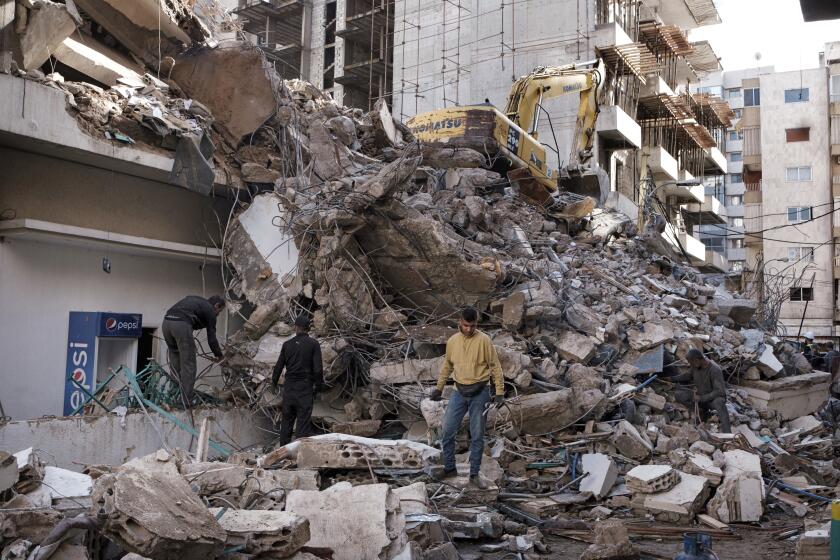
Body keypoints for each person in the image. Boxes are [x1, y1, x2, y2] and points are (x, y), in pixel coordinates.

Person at [430, 307, 504, 486]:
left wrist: (500, 392)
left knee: (477, 434)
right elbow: (447, 365)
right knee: (447, 430)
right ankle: (449, 468)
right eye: (465, 325)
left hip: (480, 391)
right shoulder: (453, 341)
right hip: (458, 391)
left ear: (476, 324)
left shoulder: (484, 340)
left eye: (472, 326)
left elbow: (495, 365)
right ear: (459, 323)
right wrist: (439, 388)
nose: (469, 329)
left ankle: (474, 474)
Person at [162, 295, 225, 406]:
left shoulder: (198, 302)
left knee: (175, 364)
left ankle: (174, 395)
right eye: (220, 311)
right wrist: (220, 356)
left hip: (166, 324)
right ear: (216, 306)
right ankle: (185, 402)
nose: (218, 314)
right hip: (181, 325)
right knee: (189, 365)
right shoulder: (210, 310)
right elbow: (212, 340)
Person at [272, 314, 323, 446]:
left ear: (296, 327)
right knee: (302, 423)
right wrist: (319, 387)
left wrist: (274, 383)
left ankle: (282, 453)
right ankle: (298, 455)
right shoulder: (314, 344)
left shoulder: (287, 345)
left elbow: (278, 367)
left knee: (286, 422)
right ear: (308, 328)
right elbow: (318, 369)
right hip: (305, 388)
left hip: (289, 389)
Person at [673, 348, 731, 433]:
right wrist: (672, 378)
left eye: (691, 363)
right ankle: (702, 412)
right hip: (700, 398)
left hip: (711, 400)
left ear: (696, 360)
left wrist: (701, 398)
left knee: (719, 402)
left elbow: (720, 391)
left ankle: (728, 433)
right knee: (679, 395)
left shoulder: (715, 369)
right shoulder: (696, 367)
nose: (690, 365)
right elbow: (687, 376)